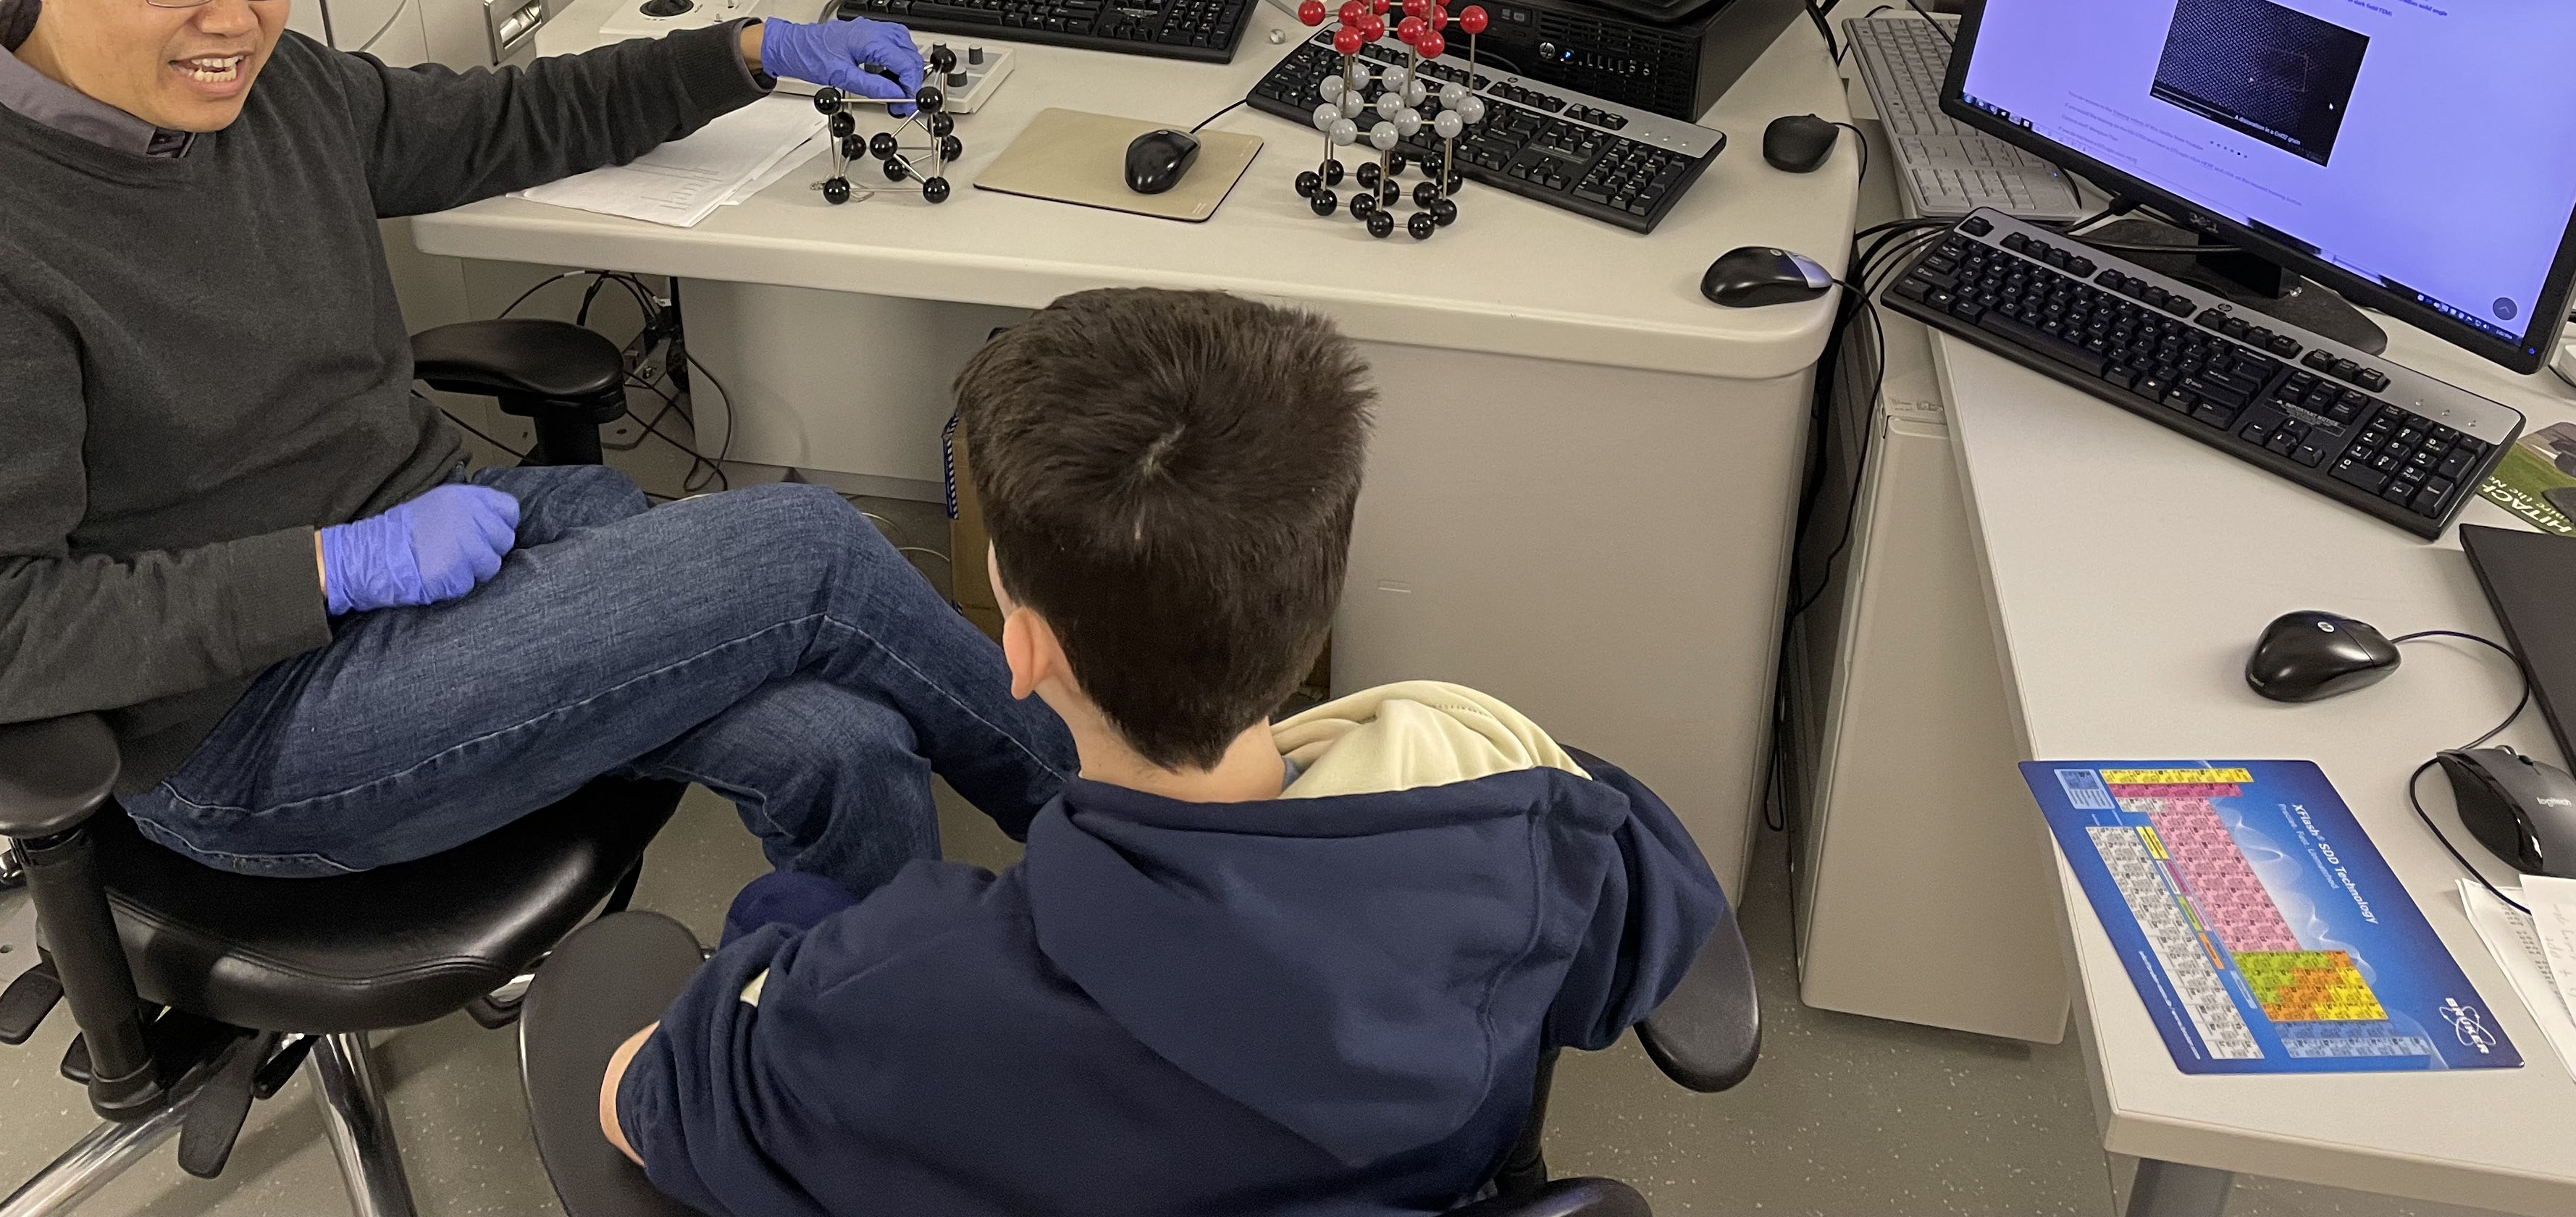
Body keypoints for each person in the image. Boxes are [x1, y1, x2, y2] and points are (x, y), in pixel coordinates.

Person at [0, 0, 1072, 889]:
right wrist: (337, 571)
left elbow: (498, 124)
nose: (234, 20)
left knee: (841, 746)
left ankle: (870, 1052)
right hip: (244, 727)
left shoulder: (272, 90)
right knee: (804, 543)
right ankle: (1138, 857)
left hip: (440, 562)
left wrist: (745, 55)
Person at [597, 286, 1728, 1217]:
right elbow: (1658, 921)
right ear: (1310, 613)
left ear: (1025, 647)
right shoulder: (1505, 806)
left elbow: (637, 1095)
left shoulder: (915, 997)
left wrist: (785, 932)